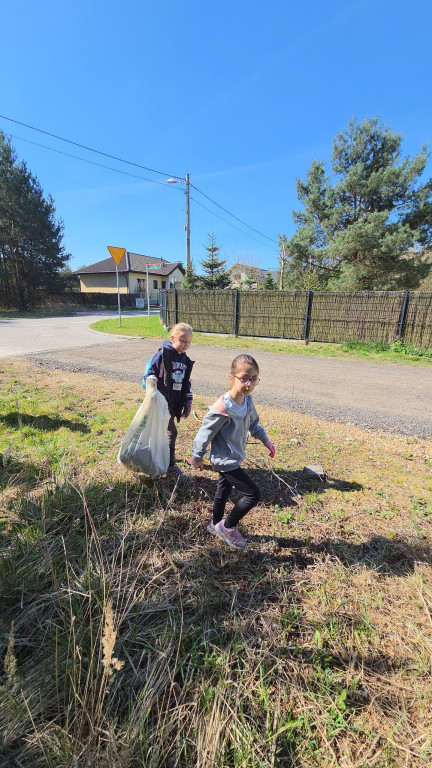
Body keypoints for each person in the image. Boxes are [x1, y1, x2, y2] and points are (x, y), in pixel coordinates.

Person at [190, 353, 275, 550]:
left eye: (253, 379)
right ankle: (228, 527)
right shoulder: (223, 406)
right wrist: (197, 456)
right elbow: (205, 432)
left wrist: (266, 440)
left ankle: (215, 524)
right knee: (253, 494)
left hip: (234, 458)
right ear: (232, 378)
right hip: (224, 460)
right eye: (244, 378)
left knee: (223, 491)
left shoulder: (247, 400)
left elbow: (254, 425)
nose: (249, 384)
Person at [143, 322, 194, 479]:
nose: (186, 344)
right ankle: (170, 466)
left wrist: (187, 399)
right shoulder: (164, 355)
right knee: (171, 431)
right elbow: (150, 372)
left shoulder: (184, 359)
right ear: (172, 338)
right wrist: (151, 381)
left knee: (166, 432)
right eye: (182, 340)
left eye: (189, 342)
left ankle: (159, 458)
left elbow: (186, 382)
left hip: (172, 402)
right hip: (161, 401)